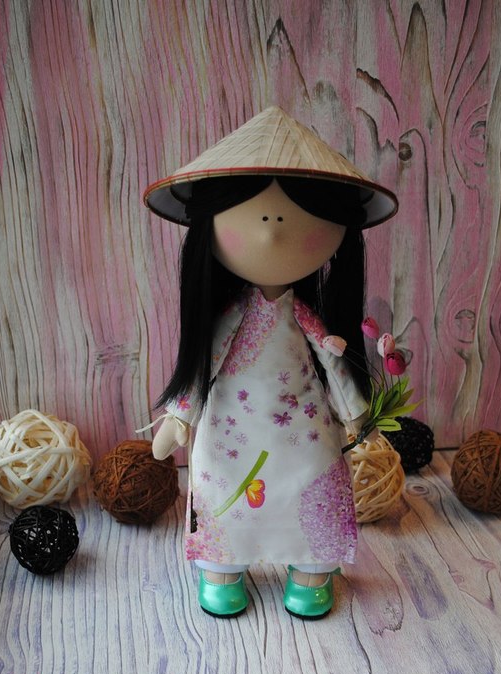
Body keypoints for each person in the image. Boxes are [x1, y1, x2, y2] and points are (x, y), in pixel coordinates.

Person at [143, 107, 397, 619]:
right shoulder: (228, 319)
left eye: (295, 215)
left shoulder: (307, 319)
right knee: (224, 491)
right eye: (253, 215)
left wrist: (356, 414)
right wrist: (179, 416)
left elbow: (334, 365)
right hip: (230, 432)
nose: (272, 232)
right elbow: (203, 364)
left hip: (304, 431)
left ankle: (311, 568)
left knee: (313, 484)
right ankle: (222, 565)